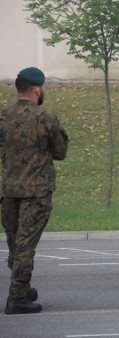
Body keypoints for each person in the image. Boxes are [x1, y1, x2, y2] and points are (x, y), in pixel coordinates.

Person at [1, 67, 68, 314]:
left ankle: (22, 287)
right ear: (38, 89)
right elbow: (60, 152)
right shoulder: (46, 117)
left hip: (9, 192)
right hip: (36, 193)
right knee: (26, 247)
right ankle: (17, 299)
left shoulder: (3, 116)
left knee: (16, 246)